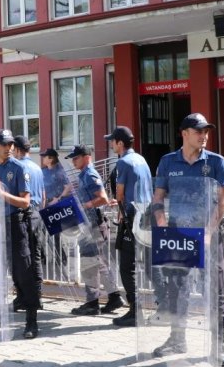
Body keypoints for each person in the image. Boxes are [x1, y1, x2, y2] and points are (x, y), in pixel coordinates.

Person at [150, 113, 224, 366]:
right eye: (199, 131)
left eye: (206, 131)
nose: (204, 136)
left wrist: (208, 231)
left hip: (209, 235)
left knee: (215, 291)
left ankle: (218, 347)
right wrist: (162, 224)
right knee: (176, 289)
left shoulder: (216, 162)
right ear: (184, 133)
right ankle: (177, 338)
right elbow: (158, 197)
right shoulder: (167, 162)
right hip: (178, 235)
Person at [0, 129, 40, 339]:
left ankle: (31, 320)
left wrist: (2, 193)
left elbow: (26, 201)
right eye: (4, 144)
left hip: (16, 223)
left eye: (11, 144)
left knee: (23, 272)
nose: (9, 148)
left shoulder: (19, 168)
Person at [65, 145, 123, 315]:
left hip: (93, 225)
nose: (74, 161)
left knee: (89, 264)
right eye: (73, 158)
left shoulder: (89, 174)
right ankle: (114, 297)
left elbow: (103, 199)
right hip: (90, 225)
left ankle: (92, 303)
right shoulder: (83, 175)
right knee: (99, 263)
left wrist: (84, 205)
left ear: (86, 157)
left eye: (76, 158)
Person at [105, 126, 152, 327]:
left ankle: (135, 310)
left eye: (113, 141)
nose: (111, 144)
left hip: (132, 217)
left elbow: (120, 193)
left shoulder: (123, 162)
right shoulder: (141, 159)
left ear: (120, 143)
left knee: (126, 267)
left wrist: (119, 205)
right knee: (148, 265)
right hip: (147, 214)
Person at [13, 135, 45, 312]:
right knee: (36, 256)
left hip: (24, 214)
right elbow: (43, 193)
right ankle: (37, 295)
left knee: (22, 258)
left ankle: (24, 297)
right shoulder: (37, 168)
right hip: (37, 213)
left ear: (17, 149)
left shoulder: (19, 167)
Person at [40, 147, 71, 280]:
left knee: (54, 234)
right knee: (42, 232)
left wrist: (58, 199)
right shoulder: (43, 171)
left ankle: (61, 258)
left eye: (45, 156)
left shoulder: (59, 171)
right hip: (44, 205)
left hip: (55, 205)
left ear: (51, 158)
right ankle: (47, 257)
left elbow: (68, 187)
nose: (43, 158)